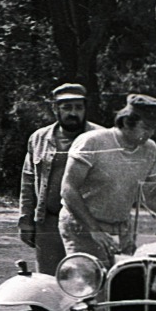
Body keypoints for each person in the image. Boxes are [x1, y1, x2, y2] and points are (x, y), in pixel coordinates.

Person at [59, 94, 156, 265]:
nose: (150, 134)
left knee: (124, 280)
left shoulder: (150, 150)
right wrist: (94, 230)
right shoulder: (92, 142)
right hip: (83, 225)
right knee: (91, 283)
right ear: (127, 122)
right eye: (146, 128)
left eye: (153, 129)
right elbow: (68, 189)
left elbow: (152, 195)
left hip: (121, 228)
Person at [20, 83, 104, 272]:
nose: (73, 113)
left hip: (86, 224)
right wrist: (25, 220)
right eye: (67, 107)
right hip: (48, 223)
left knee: (86, 279)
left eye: (78, 107)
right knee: (48, 281)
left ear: (85, 109)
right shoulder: (38, 138)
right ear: (55, 108)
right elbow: (28, 180)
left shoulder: (101, 138)